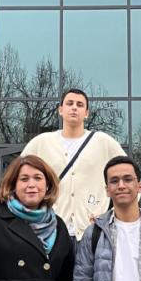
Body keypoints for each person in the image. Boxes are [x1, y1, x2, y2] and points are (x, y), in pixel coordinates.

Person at [21, 88, 126, 240]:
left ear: (87, 113)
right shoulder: (41, 143)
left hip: (92, 231)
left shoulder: (103, 142)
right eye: (69, 103)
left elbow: (132, 177)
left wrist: (115, 215)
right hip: (51, 232)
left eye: (80, 104)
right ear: (60, 110)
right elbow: (17, 179)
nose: (74, 107)